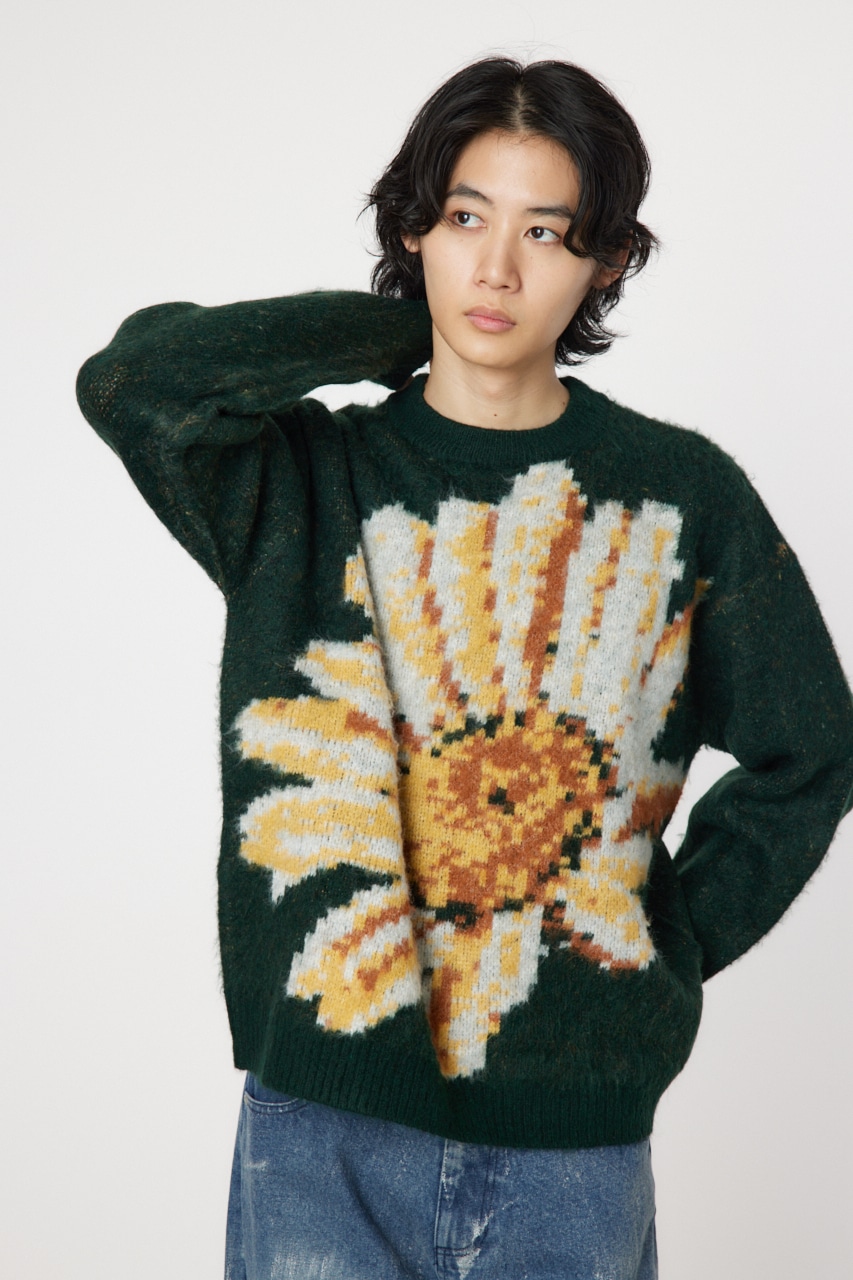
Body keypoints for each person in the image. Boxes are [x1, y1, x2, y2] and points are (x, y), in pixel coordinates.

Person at [75, 56, 853, 1280]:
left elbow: (810, 748)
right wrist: (401, 328)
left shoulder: (678, 495)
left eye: (544, 231)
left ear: (606, 259)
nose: (496, 268)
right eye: (462, 218)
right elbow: (135, 384)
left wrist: (660, 944)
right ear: (412, 229)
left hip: (574, 1142)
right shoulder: (301, 477)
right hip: (323, 1121)